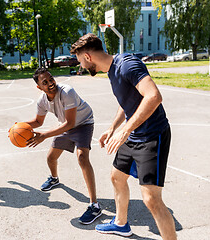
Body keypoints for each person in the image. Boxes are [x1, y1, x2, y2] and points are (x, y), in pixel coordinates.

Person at [70, 33, 177, 239]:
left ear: (88, 57)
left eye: (80, 61)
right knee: (117, 177)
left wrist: (125, 131)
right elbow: (126, 99)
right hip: (133, 133)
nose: (81, 66)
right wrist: (113, 128)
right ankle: (121, 224)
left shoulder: (127, 64)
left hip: (152, 135)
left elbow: (154, 96)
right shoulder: (111, 71)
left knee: (151, 199)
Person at [25, 68, 102, 224]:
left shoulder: (67, 91)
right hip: (65, 125)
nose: (50, 83)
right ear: (39, 87)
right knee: (51, 158)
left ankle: (94, 205)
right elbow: (38, 122)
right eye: (45, 82)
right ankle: (54, 179)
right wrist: (18, 126)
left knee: (82, 157)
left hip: (83, 123)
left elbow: (71, 123)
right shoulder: (42, 100)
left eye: (51, 78)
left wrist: (44, 136)